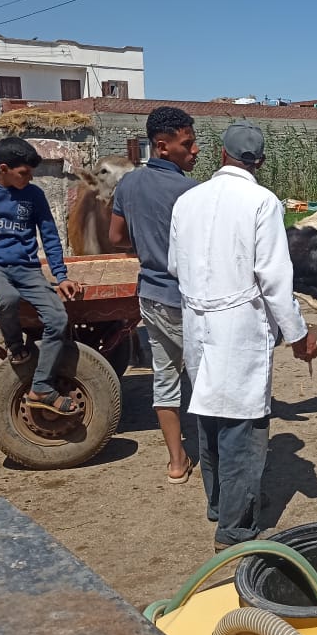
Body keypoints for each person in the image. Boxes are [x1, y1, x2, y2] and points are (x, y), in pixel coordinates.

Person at [168, 121, 317, 549]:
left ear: (221, 155)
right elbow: (274, 277)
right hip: (239, 325)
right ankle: (235, 528)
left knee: (209, 414)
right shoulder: (262, 202)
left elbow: (175, 265)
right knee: (242, 425)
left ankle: (221, 503)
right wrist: (299, 334)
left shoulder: (187, 200)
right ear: (260, 162)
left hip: (197, 321)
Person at [0, 137, 82, 416]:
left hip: (28, 269)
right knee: (7, 298)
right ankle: (14, 345)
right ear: (4, 169)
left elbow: (50, 236)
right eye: (24, 172)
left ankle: (41, 386)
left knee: (58, 319)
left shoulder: (34, 196)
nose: (30, 177)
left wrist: (61, 276)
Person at [109, 107, 199, 484]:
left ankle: (176, 462)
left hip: (149, 296)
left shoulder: (128, 184)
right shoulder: (191, 192)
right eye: (188, 144)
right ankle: (215, 459)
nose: (195, 150)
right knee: (206, 380)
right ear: (162, 147)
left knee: (165, 379)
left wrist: (148, 245)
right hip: (186, 301)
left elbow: (115, 237)